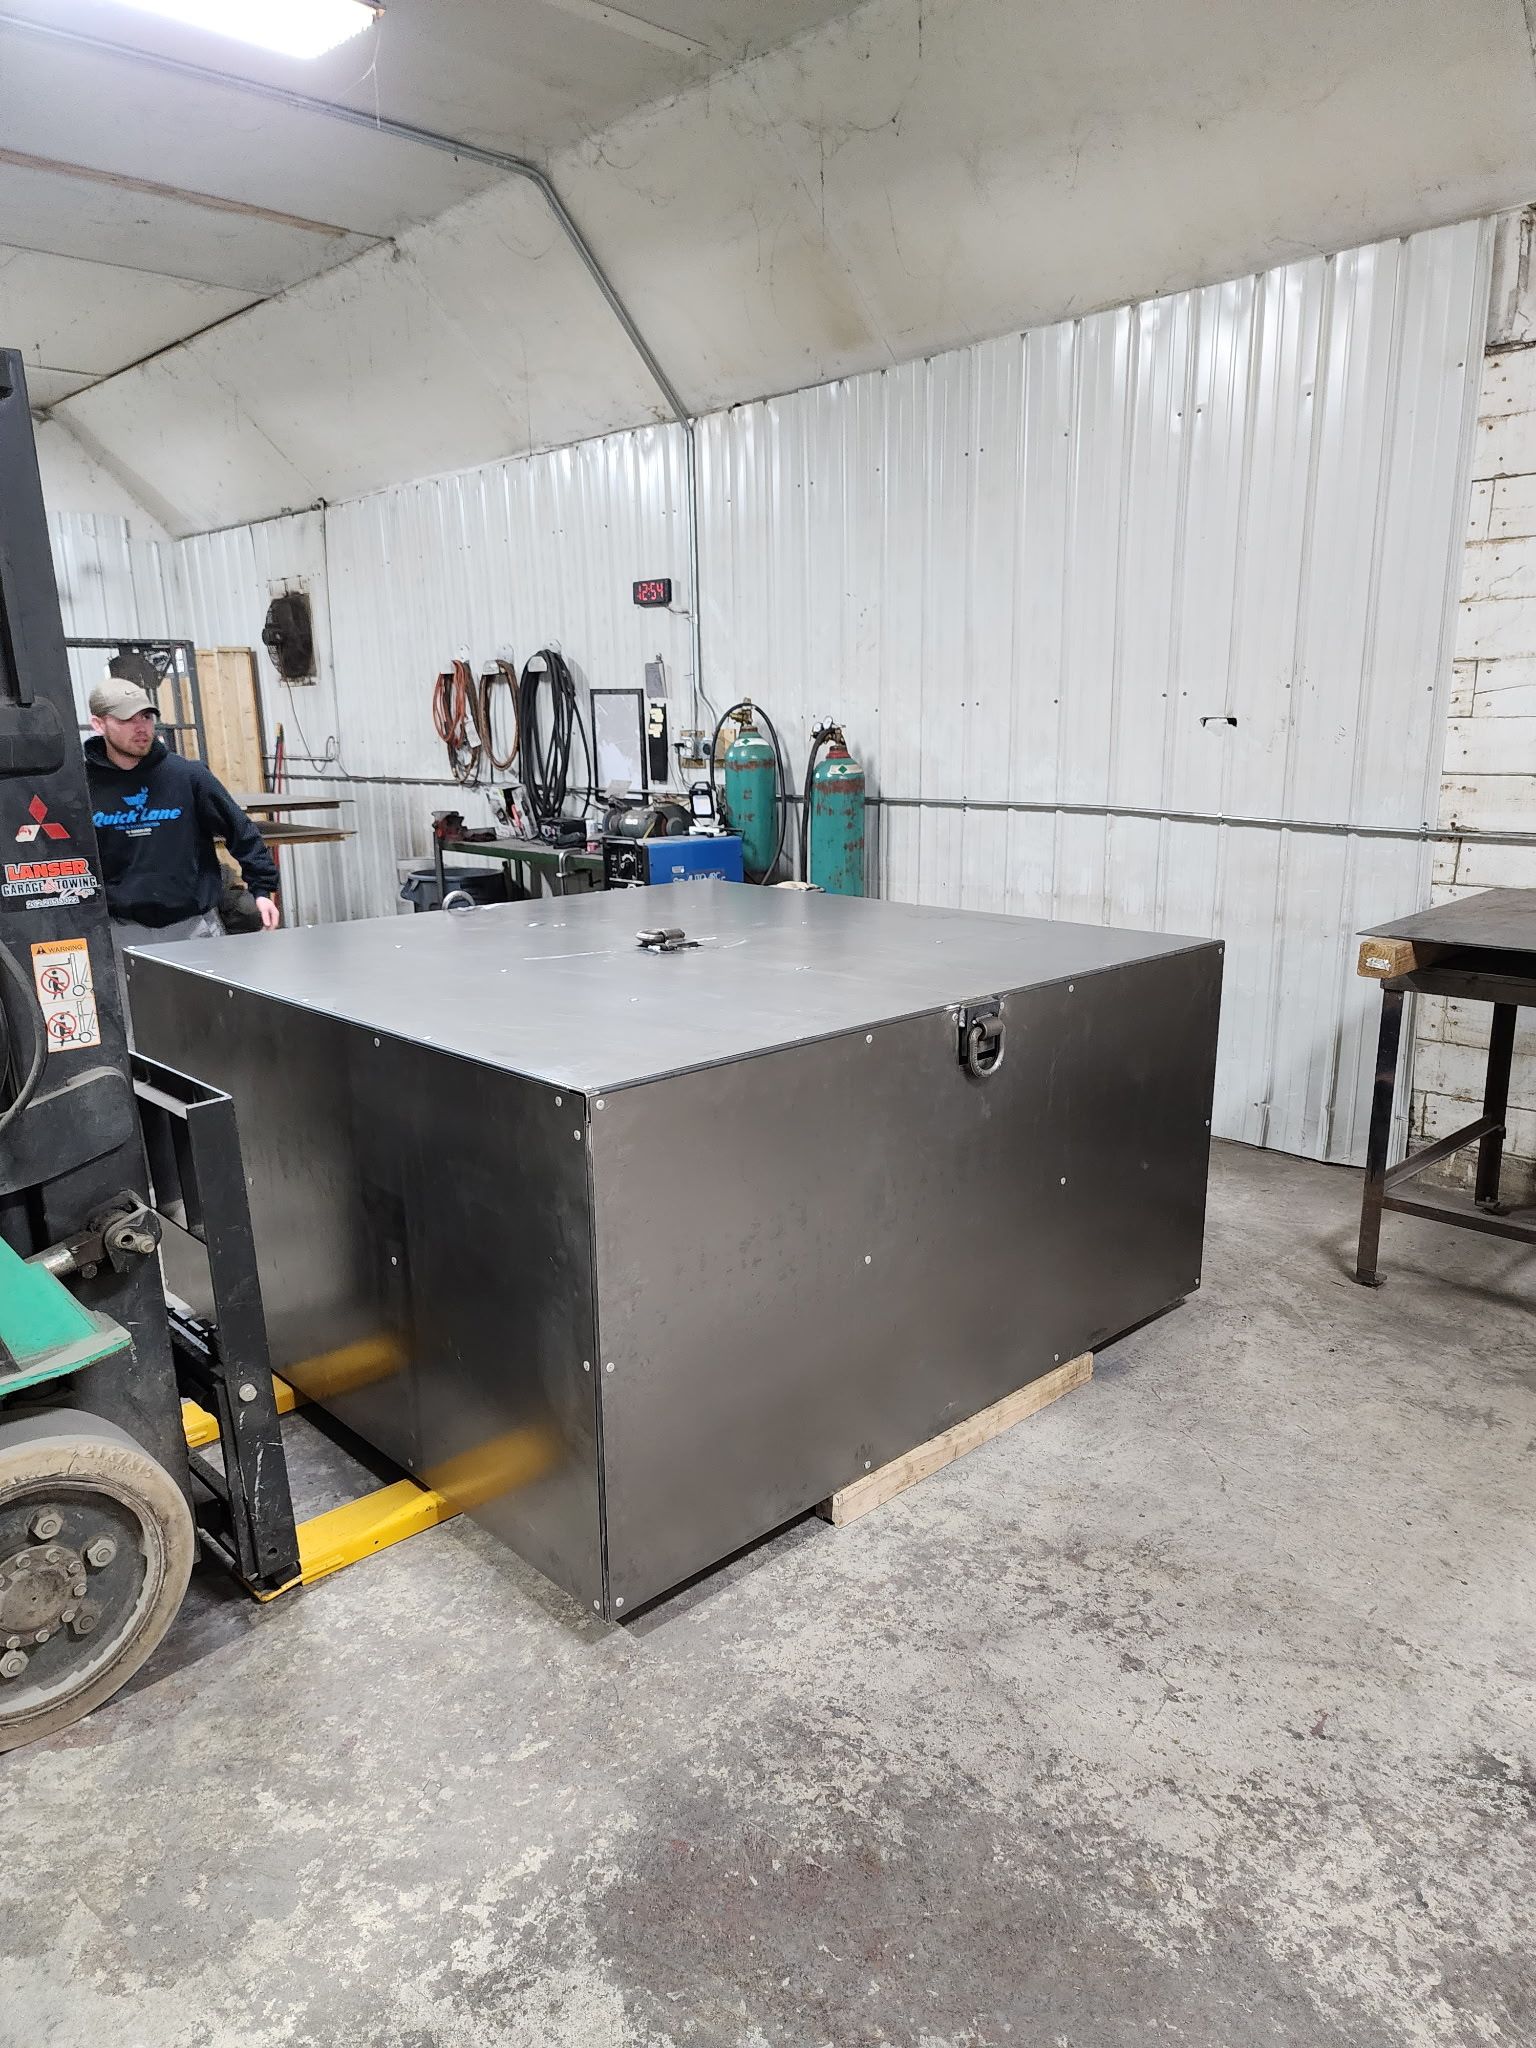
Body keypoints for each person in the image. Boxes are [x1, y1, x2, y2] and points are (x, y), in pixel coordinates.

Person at [84, 677, 281, 996]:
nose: (141, 727)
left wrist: (262, 889)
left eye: (146, 716)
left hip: (194, 928)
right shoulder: (83, 787)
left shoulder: (188, 777)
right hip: (122, 933)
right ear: (99, 724)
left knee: (211, 1012)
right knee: (138, 1019)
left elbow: (241, 831)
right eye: (127, 719)